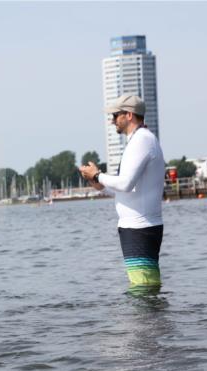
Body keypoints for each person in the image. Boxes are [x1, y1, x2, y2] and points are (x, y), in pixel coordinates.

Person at [78, 94, 166, 288]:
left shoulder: (142, 140)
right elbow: (127, 189)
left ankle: (149, 320)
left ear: (129, 115)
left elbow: (125, 183)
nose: (112, 121)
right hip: (137, 227)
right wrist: (96, 182)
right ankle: (152, 319)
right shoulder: (140, 140)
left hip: (139, 228)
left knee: (144, 289)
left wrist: (98, 174)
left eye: (115, 115)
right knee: (144, 287)